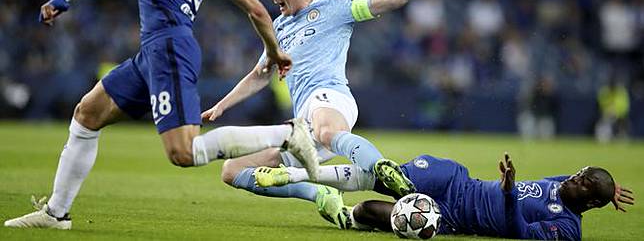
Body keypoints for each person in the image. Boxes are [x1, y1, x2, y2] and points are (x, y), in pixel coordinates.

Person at [4, 0, 319, 230]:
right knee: (87, 113)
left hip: (168, 46)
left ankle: (287, 134)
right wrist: (274, 52)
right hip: (155, 51)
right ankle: (56, 214)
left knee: (183, 153)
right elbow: (258, 11)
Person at [200, 0, 477, 228]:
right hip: (301, 124)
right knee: (233, 170)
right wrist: (222, 105)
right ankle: (320, 195)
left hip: (330, 97)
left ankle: (382, 168)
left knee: (327, 131)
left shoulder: (336, 9)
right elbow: (260, 74)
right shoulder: (279, 26)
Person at [257, 153, 634, 240]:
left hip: (452, 216)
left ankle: (343, 214)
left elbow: (521, 232)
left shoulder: (567, 228)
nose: (575, 178)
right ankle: (298, 173)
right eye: (582, 173)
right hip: (460, 182)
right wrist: (606, 187)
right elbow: (578, 184)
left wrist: (506, 194)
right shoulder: (563, 186)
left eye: (584, 183)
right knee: (390, 177)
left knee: (372, 210)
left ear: (589, 203)